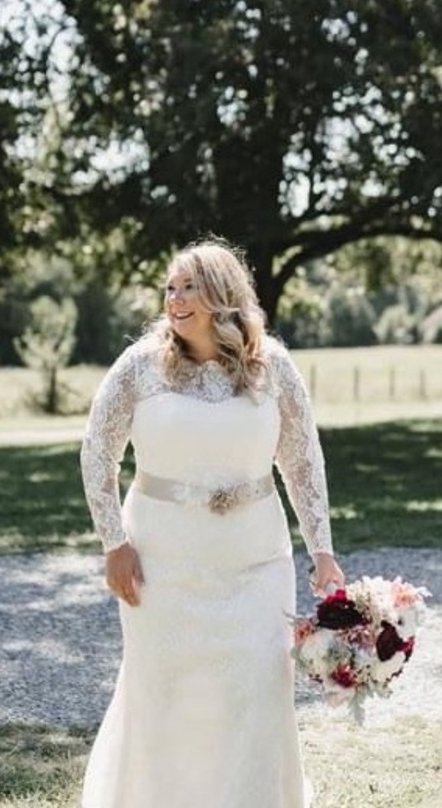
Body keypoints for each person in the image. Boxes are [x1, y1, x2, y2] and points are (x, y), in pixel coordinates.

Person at [79, 238, 344, 808]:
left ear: (222, 294)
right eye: (170, 287)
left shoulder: (271, 365)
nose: (174, 299)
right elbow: (97, 453)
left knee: (255, 688)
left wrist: (321, 550)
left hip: (255, 561)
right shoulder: (139, 367)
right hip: (160, 562)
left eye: (188, 286)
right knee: (167, 692)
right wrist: (113, 543)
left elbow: (301, 460)